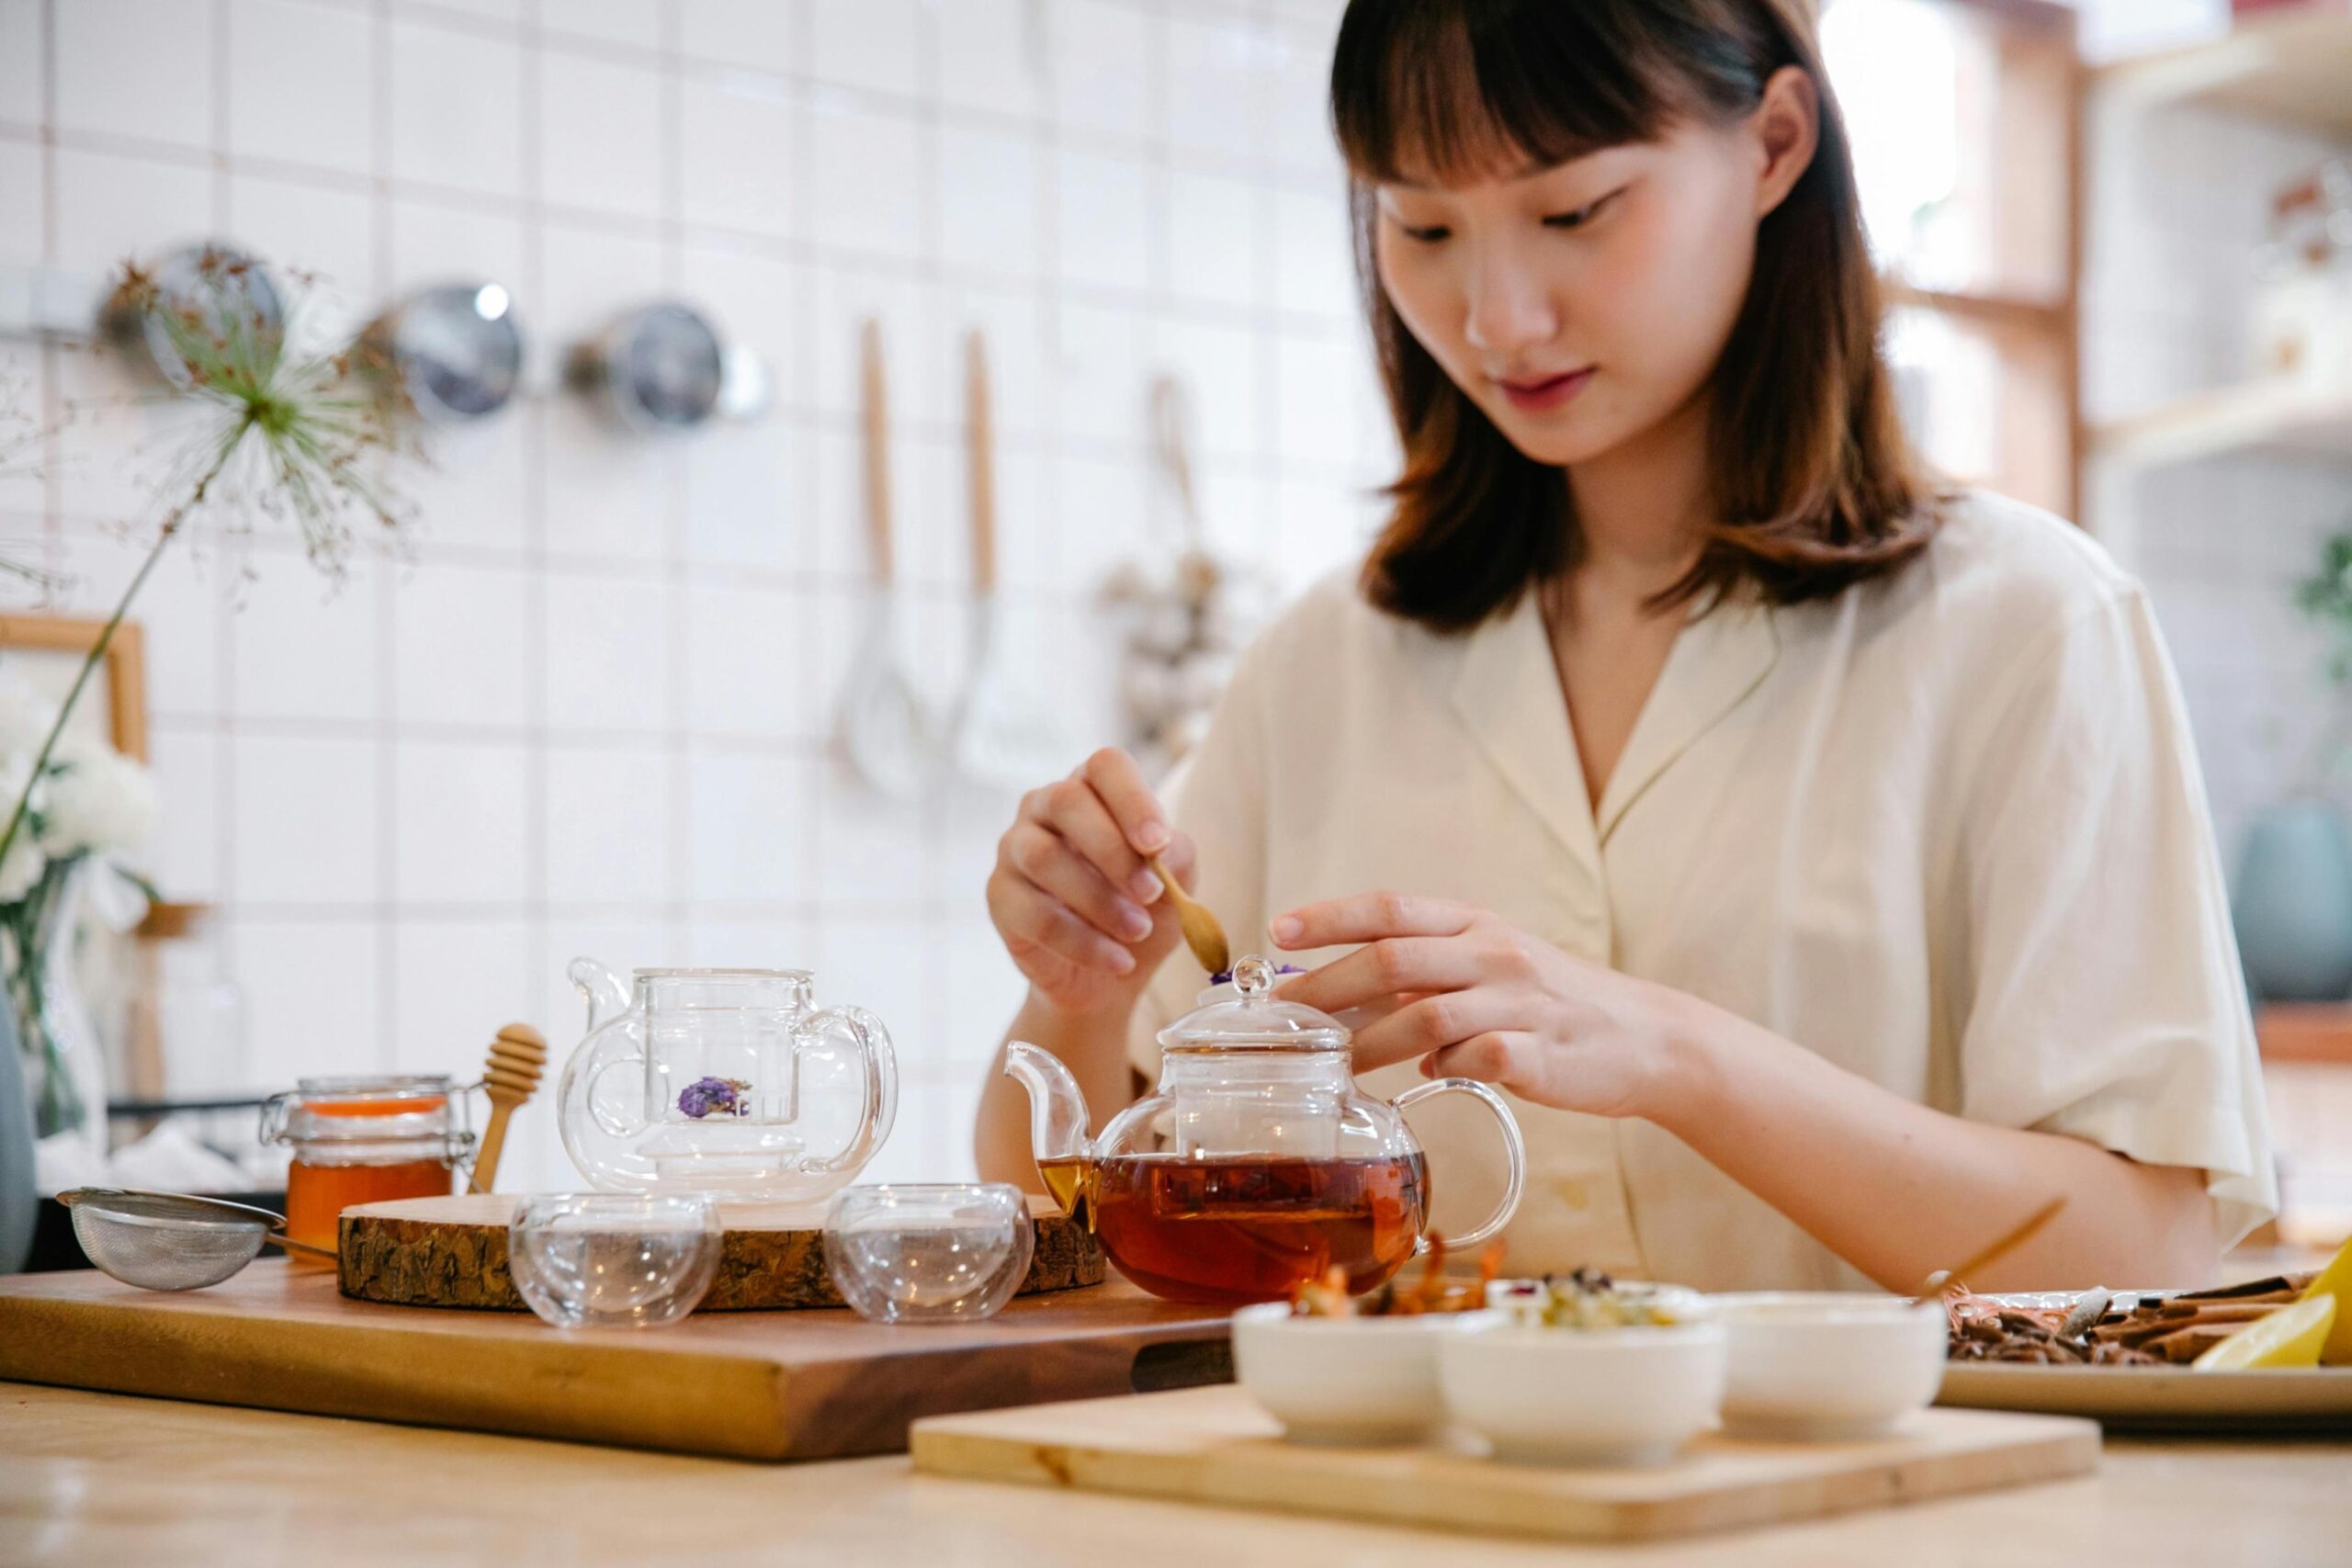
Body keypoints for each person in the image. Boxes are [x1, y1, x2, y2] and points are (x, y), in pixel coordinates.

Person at [973, 0, 2272, 1293]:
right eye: (1422, 226)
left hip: (1900, 1494)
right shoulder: (1326, 660)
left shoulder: (2026, 625)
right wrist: (1084, 989)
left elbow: (2156, 1257)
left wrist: (1681, 1057)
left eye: (1573, 213)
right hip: (1381, 1494)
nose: (1495, 319)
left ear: (1771, 145)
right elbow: (1065, 1251)